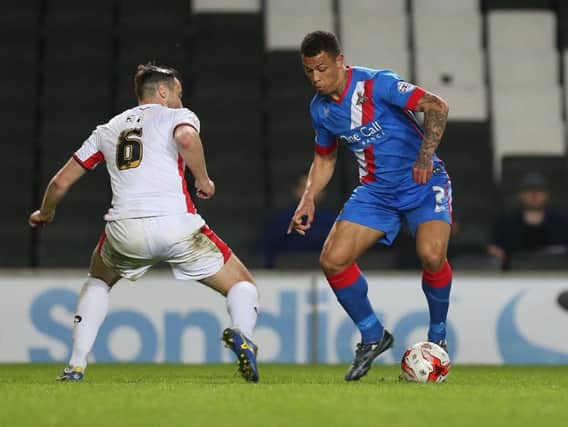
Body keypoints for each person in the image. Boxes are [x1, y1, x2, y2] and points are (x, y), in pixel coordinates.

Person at [28, 64, 260, 383]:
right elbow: (187, 140)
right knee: (242, 283)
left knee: (98, 279)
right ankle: (243, 334)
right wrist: (203, 179)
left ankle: (75, 365)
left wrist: (45, 213)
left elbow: (60, 182)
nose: (181, 98)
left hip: (125, 230)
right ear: (163, 93)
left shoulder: (107, 129)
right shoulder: (177, 116)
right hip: (176, 225)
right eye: (178, 92)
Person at [288, 31, 453, 381]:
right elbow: (325, 159)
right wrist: (308, 198)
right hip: (377, 192)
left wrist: (425, 156)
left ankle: (437, 339)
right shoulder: (321, 110)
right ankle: (373, 335)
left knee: (432, 256)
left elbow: (437, 106)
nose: (315, 78)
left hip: (423, 183)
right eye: (308, 71)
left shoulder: (379, 84)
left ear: (339, 61)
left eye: (321, 68)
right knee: (332, 260)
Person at [487, 172, 568, 270]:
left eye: (539, 191)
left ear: (547, 195)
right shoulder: (505, 224)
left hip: (555, 276)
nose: (534, 195)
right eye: (529, 191)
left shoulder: (561, 224)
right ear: (520, 195)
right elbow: (495, 249)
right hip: (513, 277)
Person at [259, 174, 336, 268]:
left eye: (316, 188)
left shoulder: (334, 221)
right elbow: (266, 251)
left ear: (323, 192)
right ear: (296, 190)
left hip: (326, 272)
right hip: (287, 273)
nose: (310, 193)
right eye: (305, 187)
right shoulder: (281, 220)